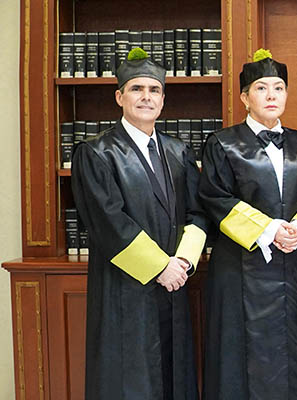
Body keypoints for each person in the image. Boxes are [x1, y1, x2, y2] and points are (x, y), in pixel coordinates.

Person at [72, 47, 208, 400]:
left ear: (163, 100)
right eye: (137, 89)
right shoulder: (97, 153)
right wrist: (160, 266)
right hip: (124, 289)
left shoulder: (178, 152)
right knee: (129, 381)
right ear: (120, 97)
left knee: (173, 379)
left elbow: (197, 213)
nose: (146, 97)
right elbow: (107, 221)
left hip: (174, 286)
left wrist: (183, 262)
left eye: (154, 90)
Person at [199, 49, 297, 400]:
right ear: (244, 97)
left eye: (278, 88)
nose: (271, 95)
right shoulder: (222, 144)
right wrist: (269, 230)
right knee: (240, 360)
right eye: (261, 88)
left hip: (293, 267)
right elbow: (215, 197)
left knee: (294, 355)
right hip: (239, 271)